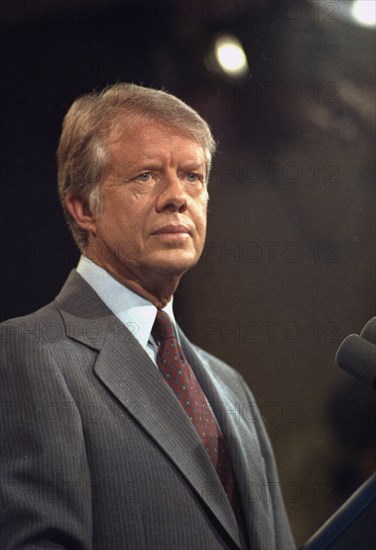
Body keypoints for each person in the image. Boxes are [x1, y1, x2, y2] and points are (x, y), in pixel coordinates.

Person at [0, 83, 295, 549]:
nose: (178, 196)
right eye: (145, 176)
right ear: (83, 207)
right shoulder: (28, 354)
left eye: (193, 176)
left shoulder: (230, 385)